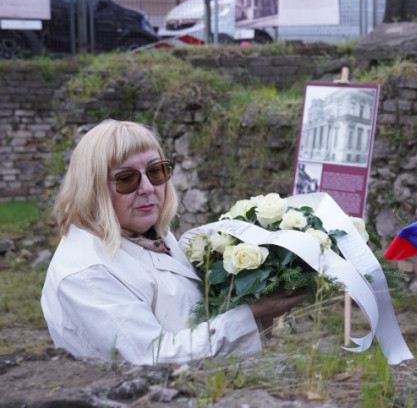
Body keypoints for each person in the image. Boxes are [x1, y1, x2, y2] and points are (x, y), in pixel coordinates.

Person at [41, 120, 306, 364]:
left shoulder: (151, 236)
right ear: (92, 187)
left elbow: (186, 316)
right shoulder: (87, 274)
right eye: (126, 179)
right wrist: (249, 313)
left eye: (156, 172)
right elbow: (152, 357)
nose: (147, 187)